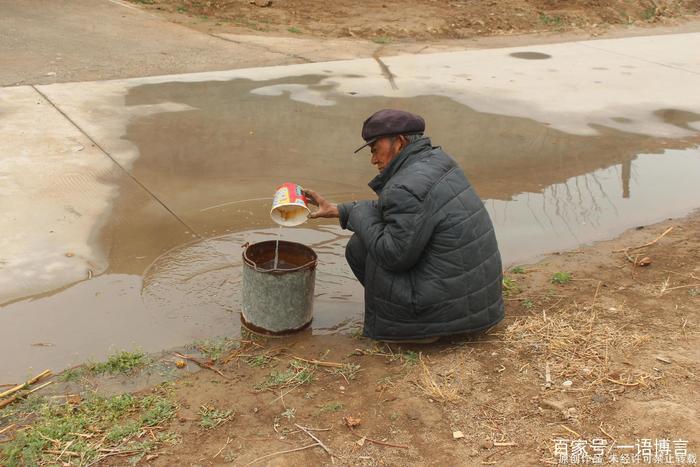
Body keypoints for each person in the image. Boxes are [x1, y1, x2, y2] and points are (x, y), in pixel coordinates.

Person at [304, 109, 504, 342]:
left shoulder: (406, 185)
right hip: (477, 301)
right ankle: (424, 323)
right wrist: (340, 210)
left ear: (398, 143)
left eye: (375, 149)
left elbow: (394, 256)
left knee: (363, 247)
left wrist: (357, 214)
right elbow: (402, 212)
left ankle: (420, 328)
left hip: (451, 309)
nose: (373, 160)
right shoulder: (436, 161)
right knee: (369, 236)